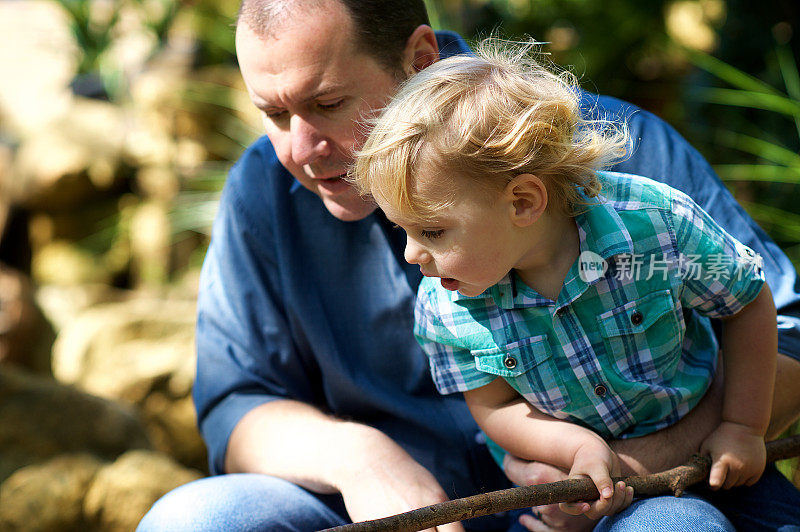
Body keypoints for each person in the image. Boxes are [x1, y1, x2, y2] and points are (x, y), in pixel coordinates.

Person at [137, 0, 800, 530]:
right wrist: (364, 463)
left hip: (635, 501)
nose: (301, 149)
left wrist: (620, 473)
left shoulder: (600, 154)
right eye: (274, 115)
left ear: (420, 58)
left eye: (327, 103)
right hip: (398, 515)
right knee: (197, 519)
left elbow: (783, 328)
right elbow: (236, 402)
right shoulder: (262, 190)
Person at [350, 40, 794, 527]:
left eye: (432, 231)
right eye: (404, 231)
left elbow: (746, 301)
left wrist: (742, 425)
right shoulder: (448, 306)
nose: (413, 255)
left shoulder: (653, 226)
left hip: (712, 454)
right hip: (576, 495)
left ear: (522, 202)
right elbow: (495, 406)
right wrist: (578, 448)